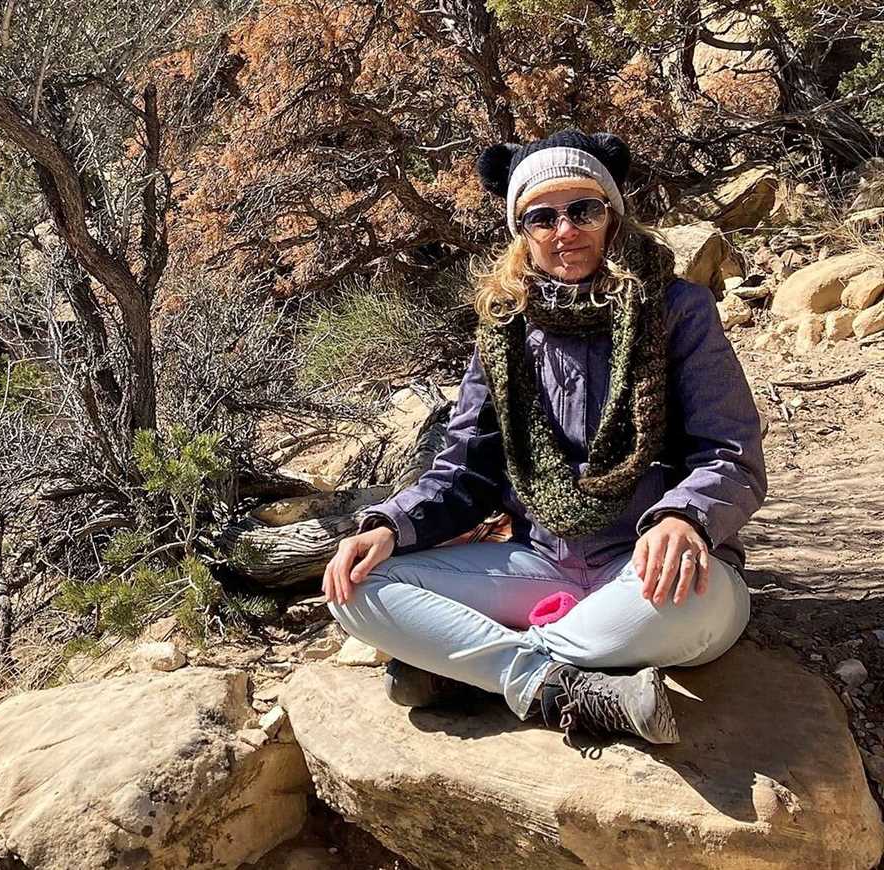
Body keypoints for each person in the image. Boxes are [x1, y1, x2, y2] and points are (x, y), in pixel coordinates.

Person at [322, 129, 766, 747]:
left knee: (699, 607)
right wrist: (389, 525)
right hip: (540, 562)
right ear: (521, 230)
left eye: (583, 209)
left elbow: (731, 452)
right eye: (542, 216)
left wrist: (685, 518)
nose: (566, 230)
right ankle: (557, 684)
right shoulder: (503, 329)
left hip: (647, 572)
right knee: (355, 589)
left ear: (612, 215)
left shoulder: (677, 308)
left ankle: (471, 670)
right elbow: (464, 474)